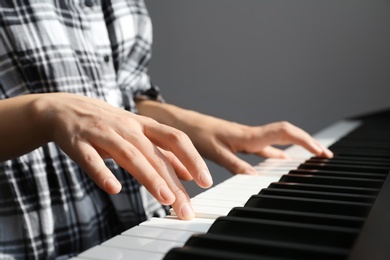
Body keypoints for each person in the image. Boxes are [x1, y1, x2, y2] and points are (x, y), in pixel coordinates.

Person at [0, 1, 333, 259]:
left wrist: (182, 121)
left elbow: (120, 90)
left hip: (131, 235)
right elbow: (71, 109)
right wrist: (42, 112)